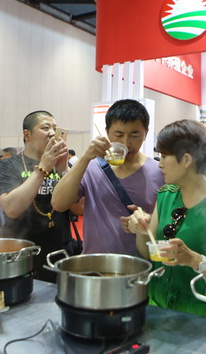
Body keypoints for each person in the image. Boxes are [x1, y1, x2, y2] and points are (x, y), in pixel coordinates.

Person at [126, 120, 206, 316]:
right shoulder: (166, 194)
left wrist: (195, 259)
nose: (160, 164)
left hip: (198, 311)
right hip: (156, 303)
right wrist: (141, 230)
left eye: (164, 156)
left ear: (186, 160)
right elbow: (147, 252)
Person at [51, 99, 165, 256]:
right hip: (95, 263)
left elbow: (169, 224)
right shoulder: (91, 167)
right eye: (119, 135)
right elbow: (58, 203)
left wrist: (148, 221)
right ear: (107, 132)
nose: (126, 143)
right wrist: (85, 157)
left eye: (134, 135)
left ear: (146, 133)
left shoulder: (159, 172)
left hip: (140, 265)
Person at [0, 110, 75, 283]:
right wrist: (43, 167)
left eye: (54, 128)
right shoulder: (8, 166)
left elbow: (78, 208)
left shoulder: (62, 165)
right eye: (45, 128)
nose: (52, 133)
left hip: (60, 251)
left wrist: (64, 169)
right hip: (22, 251)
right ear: (27, 134)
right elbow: (11, 209)